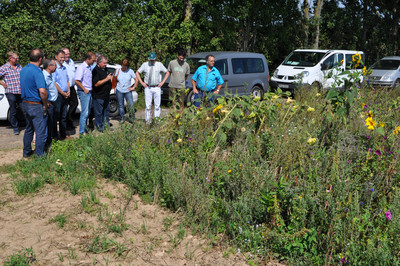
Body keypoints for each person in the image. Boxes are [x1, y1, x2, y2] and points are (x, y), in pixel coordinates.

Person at [20, 49, 48, 157]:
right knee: (40, 131)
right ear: (40, 59)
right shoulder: (37, 71)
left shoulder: (23, 69)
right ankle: (40, 156)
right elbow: (42, 91)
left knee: (29, 129)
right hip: (35, 105)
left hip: (25, 103)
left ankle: (26, 153)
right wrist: (45, 104)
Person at [136, 52, 168, 124]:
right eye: (150, 60)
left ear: (155, 59)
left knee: (157, 105)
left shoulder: (159, 65)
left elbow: (167, 72)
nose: (152, 61)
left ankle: (157, 121)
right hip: (148, 87)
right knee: (148, 105)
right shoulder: (145, 65)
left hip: (157, 87)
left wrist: (162, 82)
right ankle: (148, 121)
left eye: (153, 60)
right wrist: (142, 83)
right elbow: (137, 72)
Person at [0, 51, 23, 135]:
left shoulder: (19, 66)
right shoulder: (4, 68)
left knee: (24, 109)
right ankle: (15, 128)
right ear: (10, 58)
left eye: (17, 58)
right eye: (15, 58)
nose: (17, 59)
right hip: (10, 91)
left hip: (20, 91)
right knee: (13, 110)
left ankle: (27, 125)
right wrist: (2, 83)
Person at [75, 52, 96, 135]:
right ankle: (81, 132)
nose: (94, 62)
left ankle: (84, 129)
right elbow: (77, 80)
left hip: (89, 92)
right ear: (88, 59)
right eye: (93, 60)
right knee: (85, 112)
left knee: (88, 112)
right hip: (84, 92)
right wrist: (84, 89)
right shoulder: (81, 67)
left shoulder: (89, 67)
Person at [92, 54, 112, 132]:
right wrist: (106, 79)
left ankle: (106, 125)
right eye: (104, 63)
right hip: (99, 96)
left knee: (106, 111)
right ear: (99, 63)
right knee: (99, 112)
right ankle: (100, 127)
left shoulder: (105, 69)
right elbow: (96, 84)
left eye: (106, 63)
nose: (105, 64)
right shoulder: (95, 71)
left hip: (106, 95)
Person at [53, 49, 70, 139]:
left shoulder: (64, 68)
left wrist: (68, 91)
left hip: (65, 94)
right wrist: (62, 93)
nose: (63, 59)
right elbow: (54, 83)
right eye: (61, 57)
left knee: (63, 116)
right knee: (56, 116)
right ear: (56, 57)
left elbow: (67, 80)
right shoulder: (54, 68)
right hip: (59, 95)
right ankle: (55, 136)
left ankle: (63, 135)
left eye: (64, 57)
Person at [42, 59, 58, 146]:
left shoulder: (49, 75)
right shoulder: (44, 76)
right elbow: (43, 90)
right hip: (48, 103)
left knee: (52, 122)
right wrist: (46, 101)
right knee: (48, 123)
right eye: (55, 65)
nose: (56, 67)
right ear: (49, 67)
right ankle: (47, 142)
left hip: (52, 102)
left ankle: (50, 139)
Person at [62, 47, 77, 130]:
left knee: (75, 104)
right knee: (64, 107)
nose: (68, 55)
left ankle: (69, 120)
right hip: (64, 88)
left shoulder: (71, 61)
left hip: (72, 87)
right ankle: (66, 124)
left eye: (69, 53)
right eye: (66, 54)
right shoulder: (61, 64)